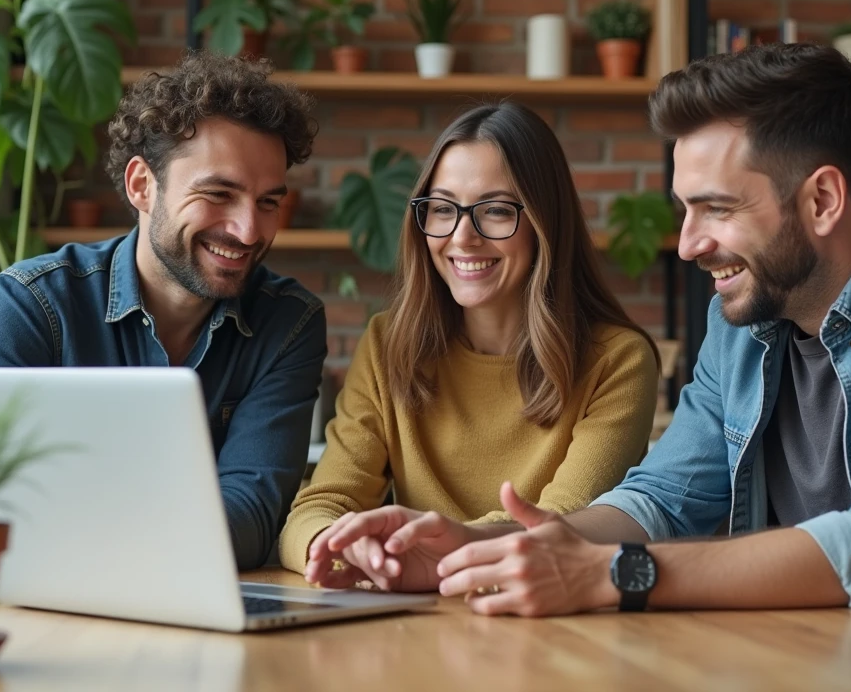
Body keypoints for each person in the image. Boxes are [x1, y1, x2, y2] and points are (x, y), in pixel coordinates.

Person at [312, 44, 851, 660]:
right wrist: (475, 548)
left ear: (822, 199)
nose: (689, 243)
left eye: (715, 209)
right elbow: (661, 500)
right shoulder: (745, 321)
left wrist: (618, 576)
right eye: (684, 208)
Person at [0, 52, 328, 571]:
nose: (247, 231)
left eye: (268, 203)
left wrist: (84, 531)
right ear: (141, 186)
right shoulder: (32, 304)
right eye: (218, 194)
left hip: (199, 616)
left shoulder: (288, 322)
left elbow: (252, 513)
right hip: (41, 608)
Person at [279, 102, 659, 583]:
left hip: (551, 629)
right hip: (414, 622)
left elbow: (561, 527)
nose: (462, 237)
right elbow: (322, 504)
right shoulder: (387, 345)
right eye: (441, 209)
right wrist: (329, 544)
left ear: (547, 221)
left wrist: (426, 547)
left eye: (496, 211)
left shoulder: (618, 361)